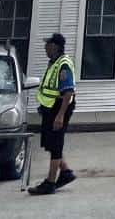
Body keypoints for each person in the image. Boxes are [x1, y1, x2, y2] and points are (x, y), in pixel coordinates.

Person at [29, 33, 77, 196]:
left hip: (60, 108)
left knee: (56, 144)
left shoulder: (63, 64)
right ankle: (66, 172)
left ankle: (50, 182)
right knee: (50, 142)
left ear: (54, 47)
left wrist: (60, 115)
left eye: (47, 45)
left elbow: (68, 92)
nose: (45, 48)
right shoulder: (54, 62)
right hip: (50, 108)